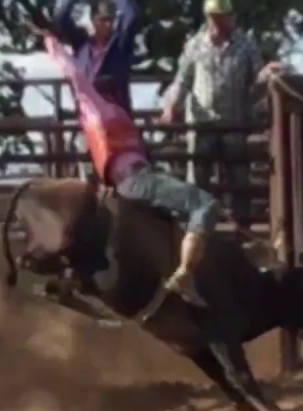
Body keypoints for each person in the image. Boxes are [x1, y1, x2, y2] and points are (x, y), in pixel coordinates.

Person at [31, 20, 244, 308]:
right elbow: (74, 73)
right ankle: (184, 275)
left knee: (181, 210)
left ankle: (184, 269)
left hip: (134, 176)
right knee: (204, 204)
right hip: (135, 178)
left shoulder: (115, 116)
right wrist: (52, 41)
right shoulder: (100, 109)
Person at [160, 0, 283, 227]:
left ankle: (242, 230)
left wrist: (266, 74)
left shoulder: (245, 45)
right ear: (209, 19)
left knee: (238, 178)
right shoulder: (195, 45)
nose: (221, 22)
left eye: (225, 16)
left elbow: (254, 82)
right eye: (217, 17)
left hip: (233, 123)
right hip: (201, 123)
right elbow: (182, 80)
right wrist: (171, 105)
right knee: (197, 178)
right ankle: (197, 230)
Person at [50, 0, 139, 114]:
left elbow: (131, 16)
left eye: (110, 20)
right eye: (103, 20)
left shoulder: (120, 45)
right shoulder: (82, 44)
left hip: (117, 115)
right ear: (93, 20)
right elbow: (61, 19)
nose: (108, 25)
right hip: (90, 116)